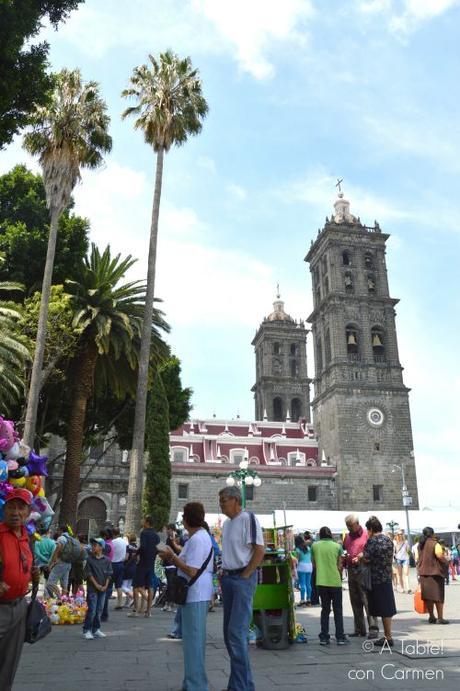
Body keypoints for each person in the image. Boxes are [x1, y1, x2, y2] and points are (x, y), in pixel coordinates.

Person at [159, 502, 214, 691]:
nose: (182, 520)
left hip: (196, 594)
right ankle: (191, 683)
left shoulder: (198, 539)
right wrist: (173, 555)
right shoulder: (197, 538)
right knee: (193, 642)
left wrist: (173, 558)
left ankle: (196, 686)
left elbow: (192, 570)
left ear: (188, 518)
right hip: (195, 595)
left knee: (194, 643)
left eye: (183, 517)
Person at [219, 486, 265, 691]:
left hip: (241, 580)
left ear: (236, 500)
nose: (221, 503)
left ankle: (240, 688)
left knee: (236, 634)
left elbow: (259, 549)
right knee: (230, 635)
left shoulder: (248, 518)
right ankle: (242, 685)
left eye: (224, 499)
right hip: (228, 579)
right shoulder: (227, 524)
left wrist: (246, 574)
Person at [0, 488, 39, 691]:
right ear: (4, 510)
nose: (15, 512)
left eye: (20, 507)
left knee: (9, 664)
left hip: (19, 608)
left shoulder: (27, 538)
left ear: (28, 511)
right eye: (11, 507)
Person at [362, 516, 397, 647]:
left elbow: (366, 558)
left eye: (368, 529)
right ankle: (388, 635)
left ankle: (387, 637)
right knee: (387, 608)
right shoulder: (388, 540)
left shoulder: (372, 541)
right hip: (387, 577)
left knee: (381, 608)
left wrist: (360, 558)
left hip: (376, 578)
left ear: (370, 529)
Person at [343, 513, 379, 639]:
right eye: (347, 526)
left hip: (364, 569)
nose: (349, 529)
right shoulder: (347, 537)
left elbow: (372, 551)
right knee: (355, 600)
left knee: (367, 600)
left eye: (351, 526)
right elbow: (345, 549)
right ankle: (359, 629)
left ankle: (373, 628)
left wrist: (361, 556)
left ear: (357, 524)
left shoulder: (366, 535)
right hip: (351, 570)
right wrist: (346, 557)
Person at [311, 526, 348, 646]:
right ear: (331, 535)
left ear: (320, 535)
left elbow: (314, 564)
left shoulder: (314, 546)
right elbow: (340, 565)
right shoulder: (337, 546)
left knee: (325, 610)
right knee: (338, 610)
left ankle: (324, 637)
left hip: (321, 581)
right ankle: (340, 637)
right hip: (335, 582)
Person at [128, 515, 159, 618]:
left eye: (143, 520)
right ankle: (148, 612)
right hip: (151, 563)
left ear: (147, 522)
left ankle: (135, 611)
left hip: (143, 563)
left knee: (136, 586)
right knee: (150, 586)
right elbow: (159, 548)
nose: (142, 521)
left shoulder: (144, 533)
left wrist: (136, 553)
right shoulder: (156, 535)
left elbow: (143, 547)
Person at [417, 526, 449, 624]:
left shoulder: (420, 545)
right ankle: (440, 618)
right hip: (435, 574)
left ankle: (431, 616)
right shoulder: (435, 544)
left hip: (423, 573)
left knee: (428, 597)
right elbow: (439, 555)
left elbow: (418, 557)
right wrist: (446, 561)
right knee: (438, 597)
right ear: (433, 534)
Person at [83, 537, 113, 640]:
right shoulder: (89, 559)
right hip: (93, 588)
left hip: (103, 588)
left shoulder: (107, 560)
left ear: (101, 547)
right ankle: (87, 629)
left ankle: (96, 628)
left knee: (99, 609)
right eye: (93, 545)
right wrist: (97, 585)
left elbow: (109, 574)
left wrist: (105, 585)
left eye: (95, 545)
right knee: (92, 609)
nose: (93, 547)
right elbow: (89, 574)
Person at [46, 525, 74, 597]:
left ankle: (50, 598)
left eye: (58, 530)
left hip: (60, 563)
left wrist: (53, 561)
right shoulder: (70, 539)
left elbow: (58, 548)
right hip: (68, 563)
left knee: (50, 582)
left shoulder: (62, 538)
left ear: (61, 530)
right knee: (64, 583)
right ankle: (63, 599)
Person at [162, 523, 181, 612]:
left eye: (167, 529)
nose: (166, 531)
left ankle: (170, 603)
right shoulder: (168, 538)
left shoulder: (176, 538)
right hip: (168, 564)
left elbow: (177, 549)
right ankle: (167, 603)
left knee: (171, 585)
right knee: (169, 585)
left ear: (171, 529)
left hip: (172, 564)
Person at [110, 527, 127, 609]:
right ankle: (119, 603)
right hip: (121, 564)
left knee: (109, 584)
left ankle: (105, 601)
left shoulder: (112, 542)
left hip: (113, 564)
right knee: (119, 585)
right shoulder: (125, 542)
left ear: (113, 534)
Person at [121, 533, 138, 607]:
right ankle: (127, 604)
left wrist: (122, 560)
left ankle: (133, 597)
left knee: (123, 586)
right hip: (134, 567)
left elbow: (126, 557)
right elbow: (138, 559)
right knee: (129, 586)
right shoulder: (137, 547)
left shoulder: (128, 547)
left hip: (128, 567)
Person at [295, 535, 312, 606]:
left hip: (301, 566)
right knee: (308, 584)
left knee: (302, 584)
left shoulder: (297, 549)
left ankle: (302, 600)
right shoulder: (308, 548)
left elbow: (297, 559)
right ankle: (308, 599)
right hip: (309, 566)